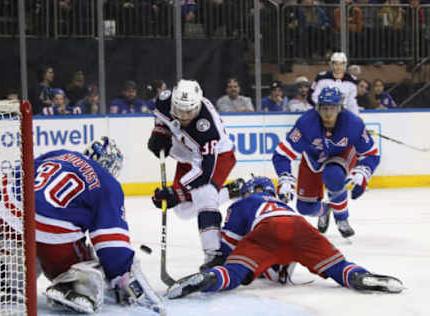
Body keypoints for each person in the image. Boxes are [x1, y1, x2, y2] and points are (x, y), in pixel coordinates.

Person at [0, 137, 164, 314]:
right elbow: (111, 245)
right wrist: (121, 275)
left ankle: (7, 274)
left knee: (26, 245)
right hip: (52, 227)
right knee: (88, 270)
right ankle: (74, 286)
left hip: (9, 212)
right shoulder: (108, 184)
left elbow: (20, 173)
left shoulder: (61, 154)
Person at [166, 176, 404, 300]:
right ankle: (360, 276)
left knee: (233, 272)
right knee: (338, 267)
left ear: (250, 192)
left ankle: (208, 279)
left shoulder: (244, 203)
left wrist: (224, 263)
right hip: (300, 227)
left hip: (266, 231)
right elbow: (290, 232)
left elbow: (226, 248)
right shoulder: (282, 204)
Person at [147, 79, 237, 271]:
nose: (184, 116)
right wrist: (159, 133)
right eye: (179, 110)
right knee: (183, 210)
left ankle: (214, 254)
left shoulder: (207, 129)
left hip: (217, 156)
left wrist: (176, 192)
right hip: (187, 148)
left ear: (198, 106)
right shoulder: (164, 100)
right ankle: (231, 191)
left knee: (204, 195)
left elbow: (204, 172)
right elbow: (161, 118)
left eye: (189, 112)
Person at [272, 87, 380, 238]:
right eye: (324, 109)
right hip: (312, 158)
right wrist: (284, 176)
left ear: (340, 108)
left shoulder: (353, 124)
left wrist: (364, 172)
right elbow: (282, 155)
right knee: (304, 208)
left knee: (333, 175)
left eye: (332, 109)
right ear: (317, 108)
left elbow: (371, 154)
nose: (328, 114)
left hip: (342, 154)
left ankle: (341, 217)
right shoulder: (306, 123)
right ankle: (325, 210)